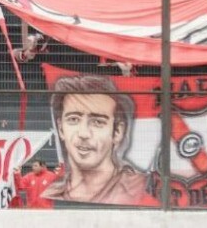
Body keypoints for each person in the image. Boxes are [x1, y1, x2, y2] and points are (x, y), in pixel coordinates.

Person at [42, 74, 153, 206]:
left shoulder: (142, 188)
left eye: (97, 122)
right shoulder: (50, 194)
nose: (84, 133)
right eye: (73, 119)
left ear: (117, 132)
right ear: (61, 129)